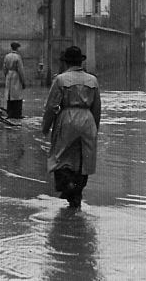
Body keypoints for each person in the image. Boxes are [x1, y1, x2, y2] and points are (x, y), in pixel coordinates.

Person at [41, 46, 101, 209]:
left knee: (60, 156)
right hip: (87, 119)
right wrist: (95, 128)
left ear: (66, 62)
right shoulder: (92, 80)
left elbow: (52, 106)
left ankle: (68, 186)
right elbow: (97, 108)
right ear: (81, 61)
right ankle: (76, 194)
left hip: (67, 118)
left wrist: (46, 126)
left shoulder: (61, 80)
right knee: (84, 158)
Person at [3, 42, 26, 119]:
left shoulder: (7, 56)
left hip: (9, 75)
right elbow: (20, 70)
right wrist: (23, 81)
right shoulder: (18, 57)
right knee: (17, 95)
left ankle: (10, 112)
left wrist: (6, 75)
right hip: (16, 76)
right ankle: (17, 113)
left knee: (9, 94)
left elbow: (4, 68)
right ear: (17, 48)